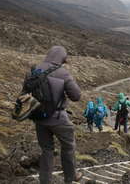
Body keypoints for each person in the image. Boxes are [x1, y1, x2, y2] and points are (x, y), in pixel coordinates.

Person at [28, 46, 83, 184]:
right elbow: (76, 96)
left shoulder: (35, 69)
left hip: (39, 117)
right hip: (58, 118)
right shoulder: (63, 73)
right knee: (68, 147)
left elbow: (27, 91)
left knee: (46, 150)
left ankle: (45, 181)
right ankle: (70, 178)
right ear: (61, 58)